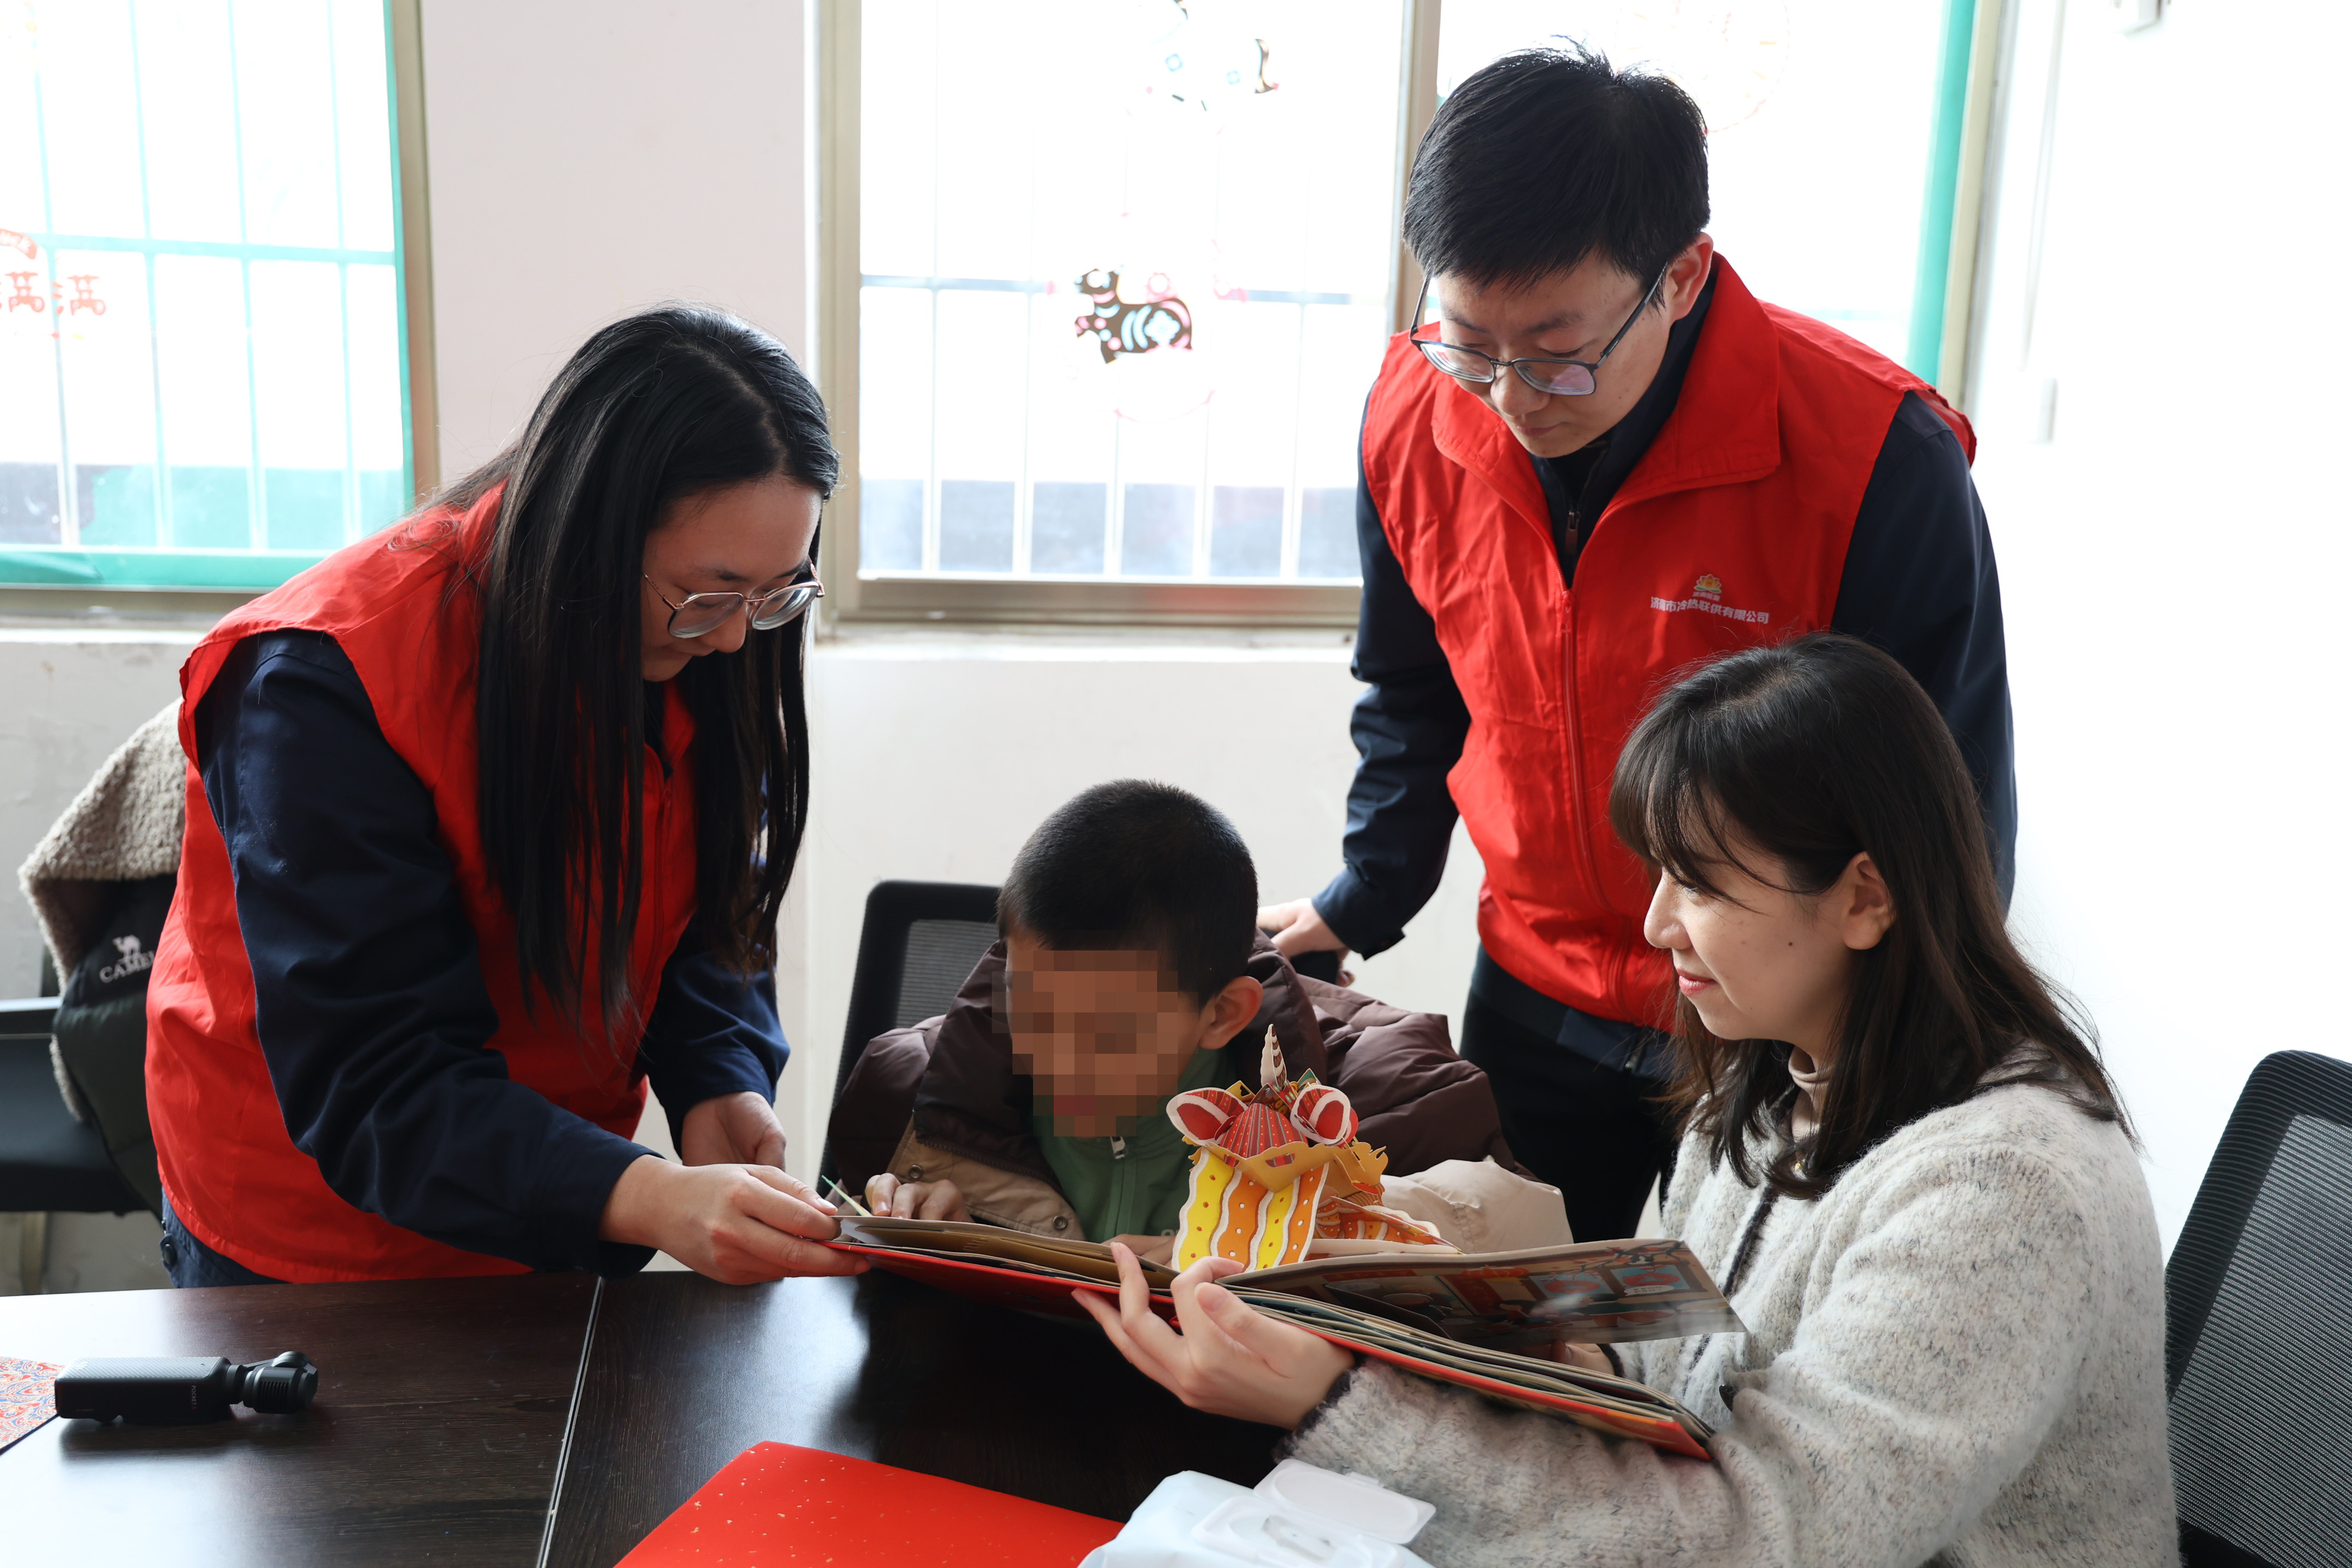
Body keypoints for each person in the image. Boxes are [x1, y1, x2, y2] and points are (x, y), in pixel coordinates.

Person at [1086, 635, 2173, 1567]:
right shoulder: (1771, 1079)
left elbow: (1767, 1538)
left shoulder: (2001, 1192)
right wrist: (1425, 1312)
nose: (1656, 925)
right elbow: (1665, 1365)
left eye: (1698, 882)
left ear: (1864, 898)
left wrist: (1335, 1407)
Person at [1257, 46, 2015, 1244]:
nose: (1510, 397)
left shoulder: (1874, 457)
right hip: (1535, 990)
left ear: (1680, 274)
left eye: (1557, 352)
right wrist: (1369, 890)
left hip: (1781, 1015)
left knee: (1747, 1339)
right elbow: (1414, 690)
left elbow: (1943, 801)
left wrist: (1901, 1046)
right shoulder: (1413, 413)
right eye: (1469, 341)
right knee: (1506, 1318)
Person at [145, 306, 867, 1288]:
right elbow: (375, 1076)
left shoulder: (698, 639)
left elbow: (697, 903)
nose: (739, 637)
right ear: (588, 540)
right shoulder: (321, 680)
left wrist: (718, 1080)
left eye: (779, 593)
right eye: (712, 593)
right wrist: (650, 1197)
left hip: (556, 1192)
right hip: (318, 1237)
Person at [827, 780, 1531, 1260]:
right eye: (1027, 1007)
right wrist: (924, 1242)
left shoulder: (1396, 1108)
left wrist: (1276, 1248)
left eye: (1103, 1034)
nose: (1050, 1061)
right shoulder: (909, 1094)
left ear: (1222, 1014)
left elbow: (1537, 1285)